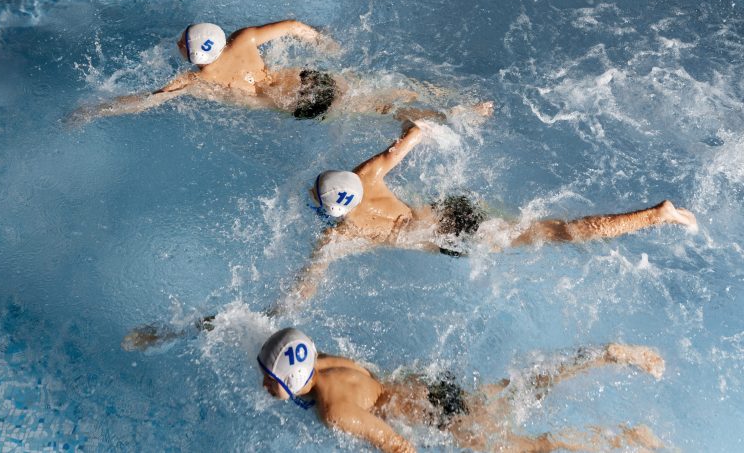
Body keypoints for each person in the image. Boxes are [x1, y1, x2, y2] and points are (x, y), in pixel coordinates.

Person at [276, 118, 697, 313]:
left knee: (555, 232)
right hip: (453, 209)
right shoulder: (366, 175)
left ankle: (655, 215)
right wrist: (456, 118)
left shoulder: (340, 235)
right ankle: (654, 215)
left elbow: (308, 283)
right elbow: (414, 134)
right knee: (540, 225)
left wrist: (278, 313)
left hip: (454, 239)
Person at [257, 327, 666, 453]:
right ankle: (605, 354)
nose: (263, 384)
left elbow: (400, 447)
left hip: (441, 417)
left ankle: (628, 438)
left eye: (270, 378)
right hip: (427, 389)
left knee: (531, 448)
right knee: (521, 390)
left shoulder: (334, 412)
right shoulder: (323, 360)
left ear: (292, 380)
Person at [68, 20, 462, 124]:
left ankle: (443, 116)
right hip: (304, 78)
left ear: (193, 56)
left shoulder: (196, 80)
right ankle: (442, 95)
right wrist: (325, 43)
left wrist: (95, 110)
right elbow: (293, 25)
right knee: (373, 87)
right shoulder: (242, 40)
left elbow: (146, 101)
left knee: (378, 109)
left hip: (292, 102)